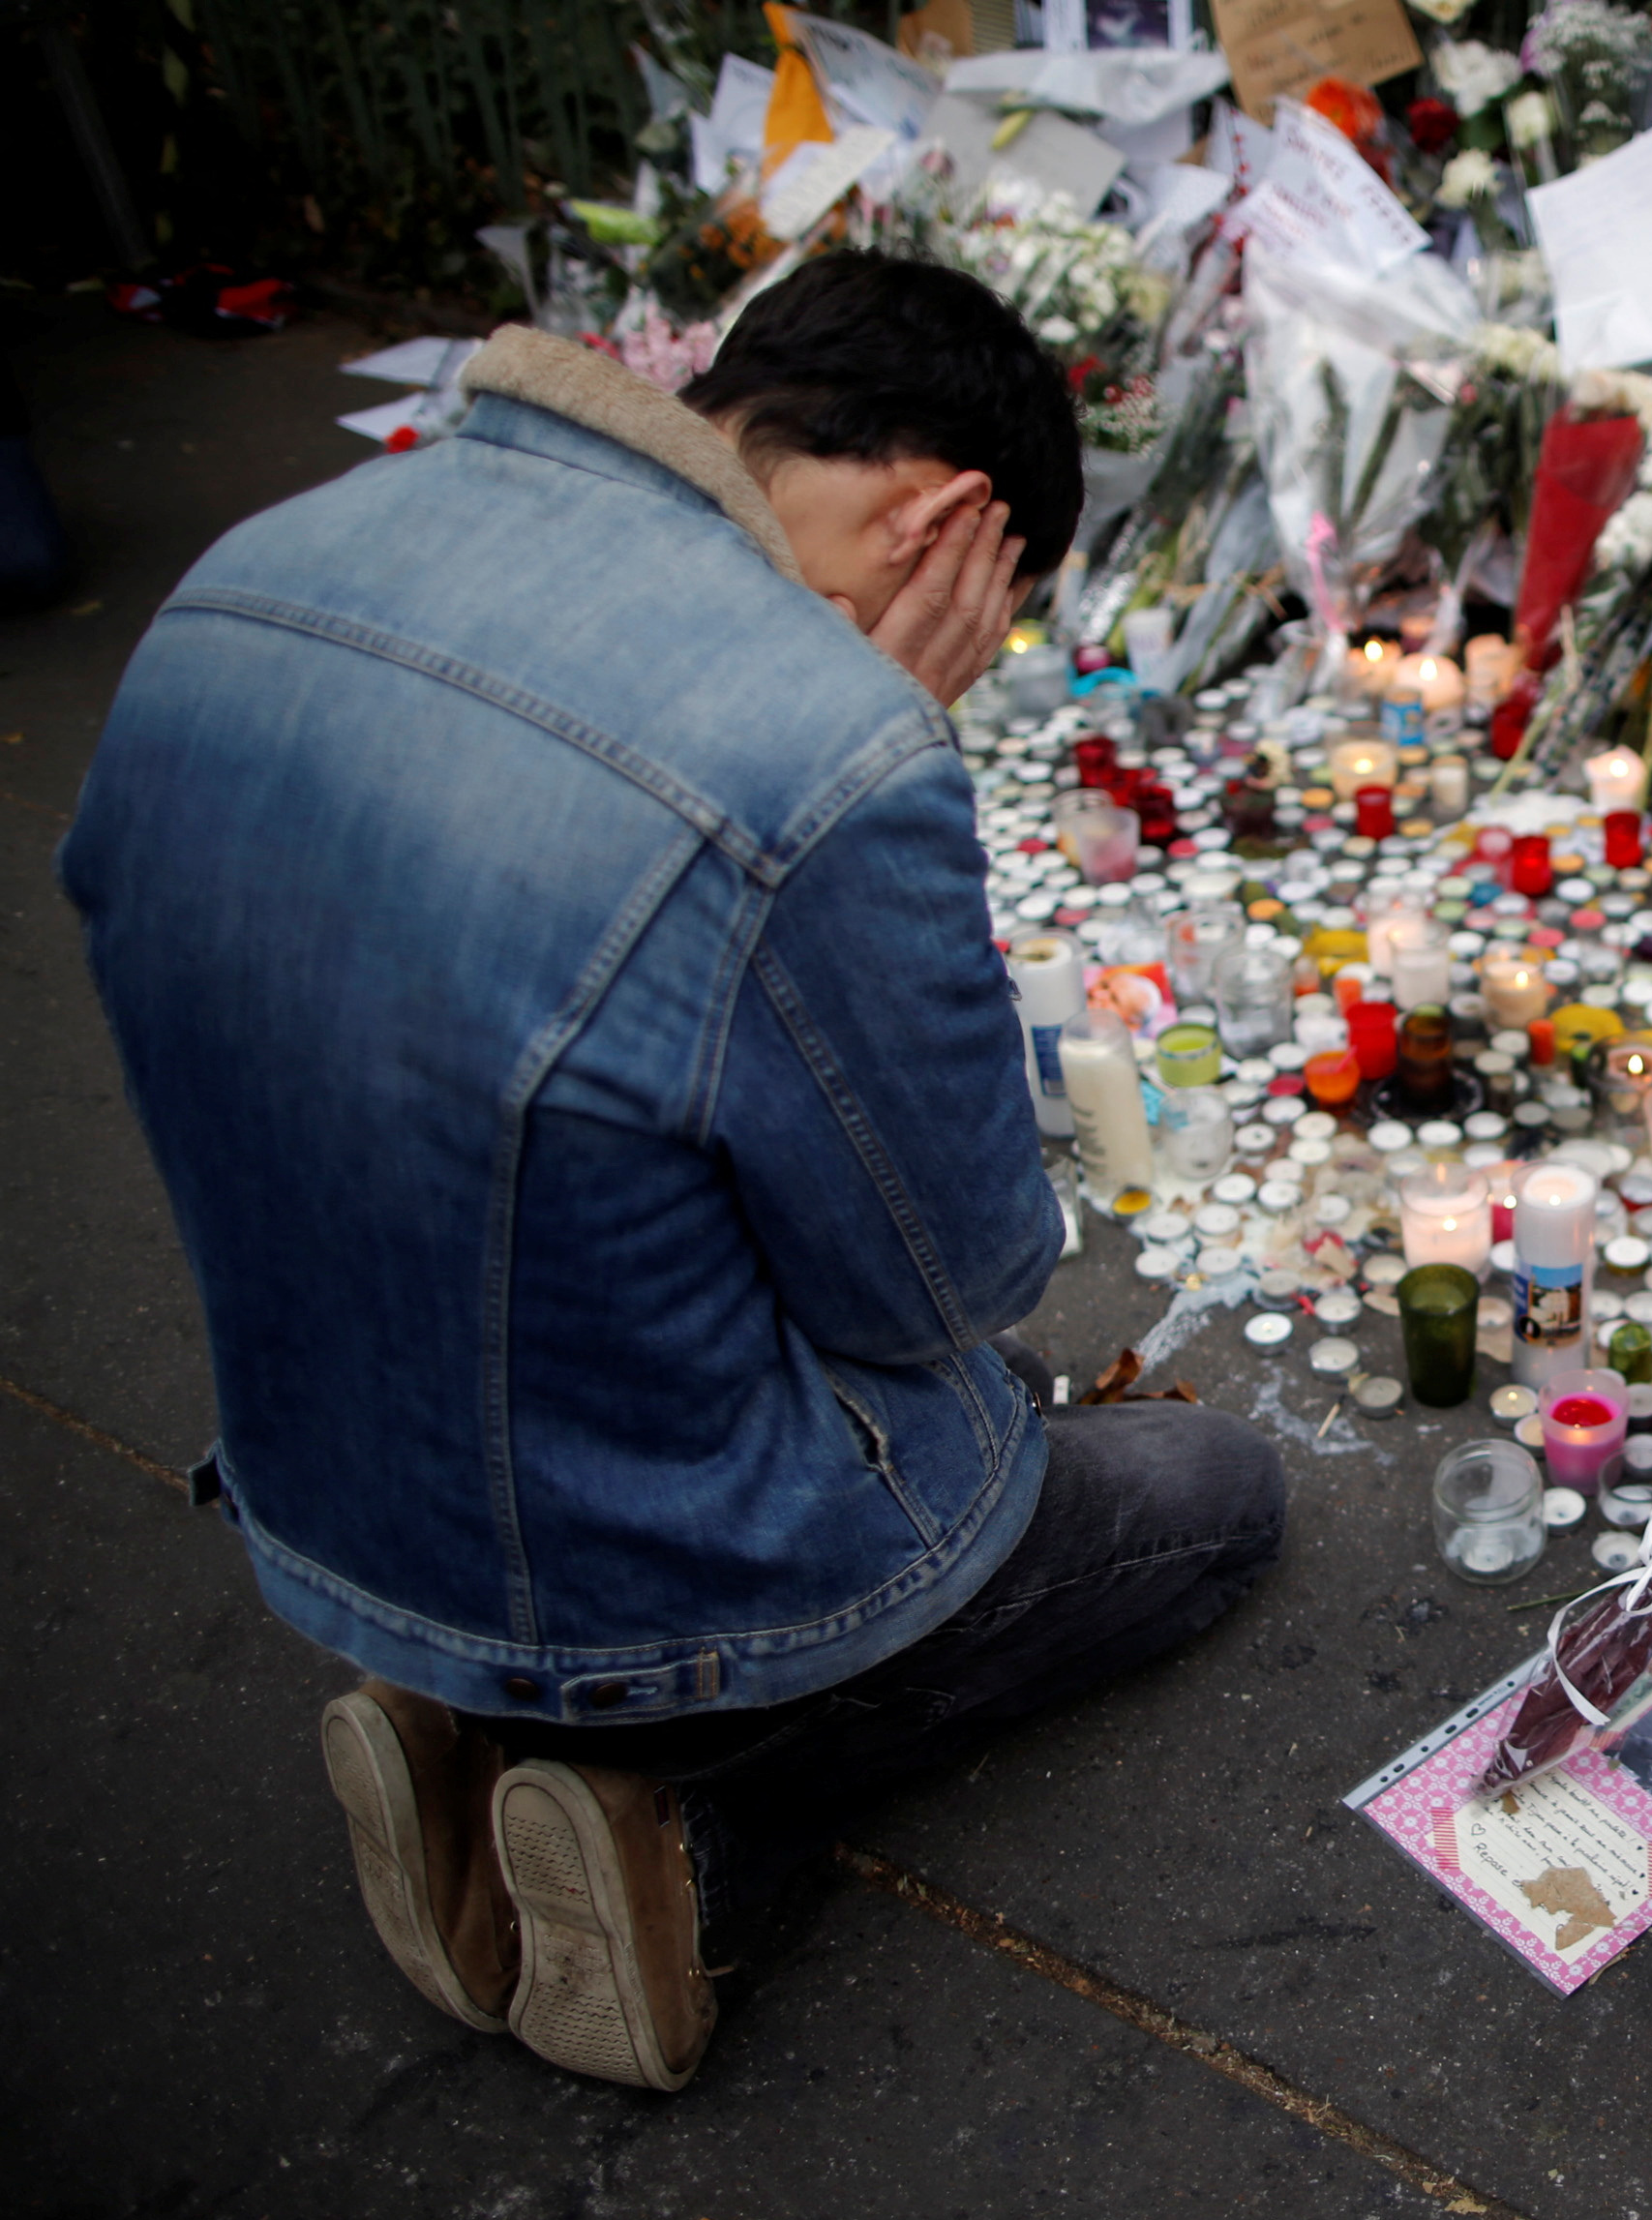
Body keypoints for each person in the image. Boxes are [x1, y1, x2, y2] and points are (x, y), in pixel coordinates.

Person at [60, 253, 1285, 2093]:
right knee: (1206, 1486)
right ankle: (686, 1825)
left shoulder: (267, 559)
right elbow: (938, 1283)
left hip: (327, 1474)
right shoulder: (819, 736)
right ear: (947, 517)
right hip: (618, 1546)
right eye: (991, 603)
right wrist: (892, 732)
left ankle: (457, 1718)